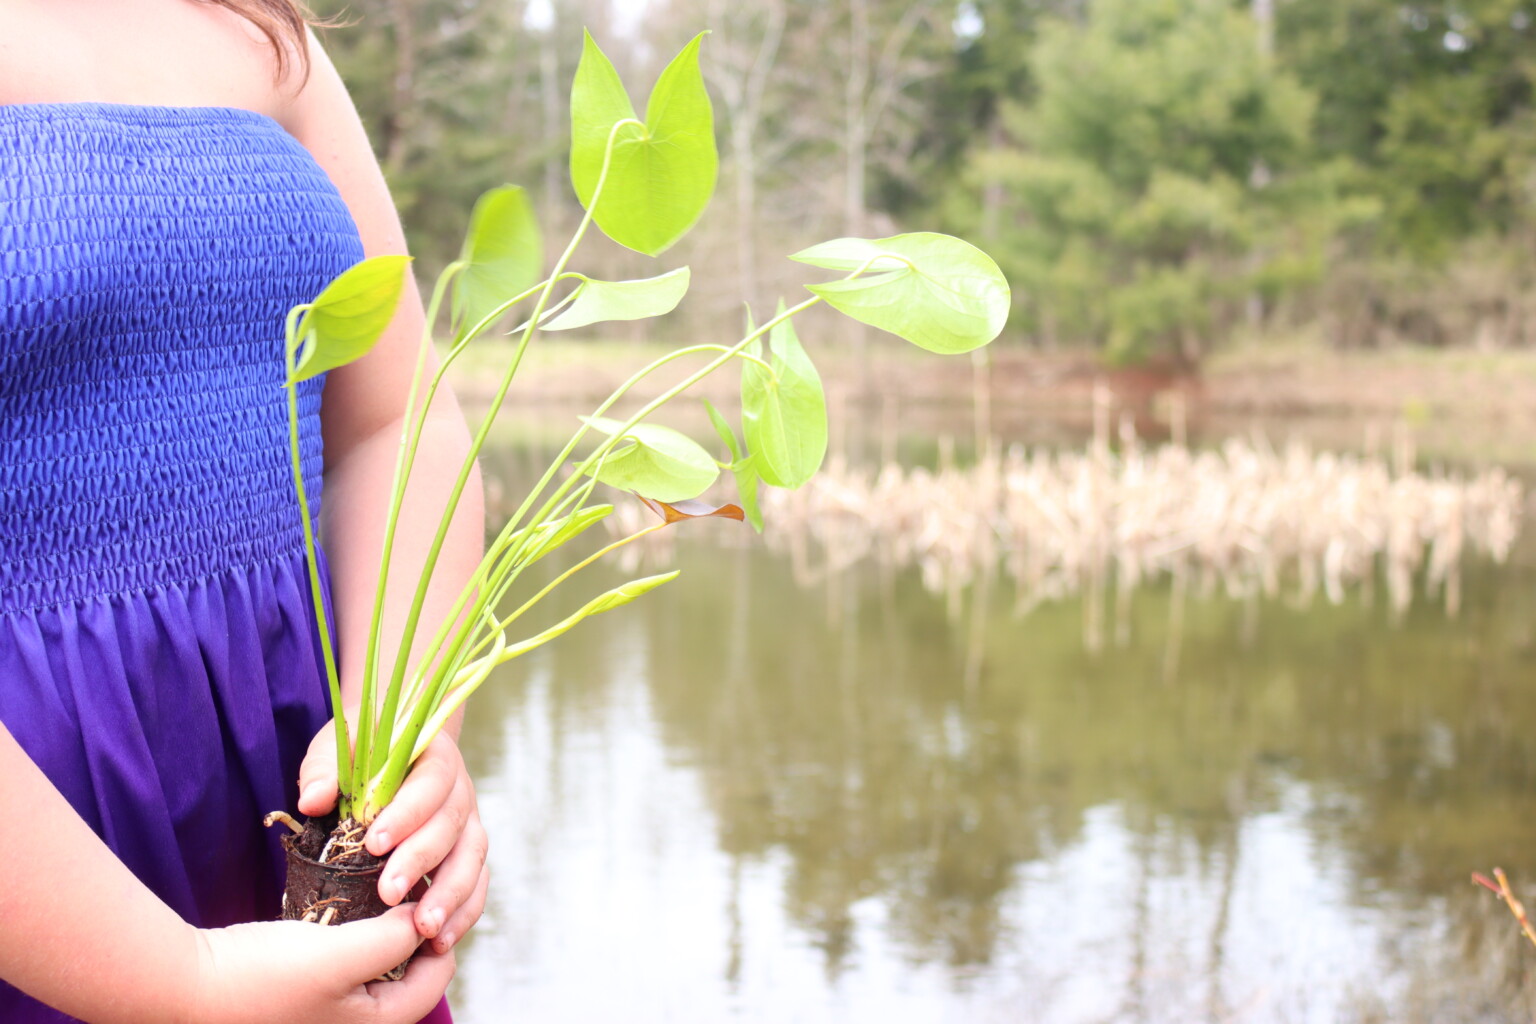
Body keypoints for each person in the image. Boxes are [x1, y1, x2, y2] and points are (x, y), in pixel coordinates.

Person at [0, 1, 489, 1021]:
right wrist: (185, 982)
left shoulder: (257, 28)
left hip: (284, 801)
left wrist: (403, 733)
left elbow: (393, 419)